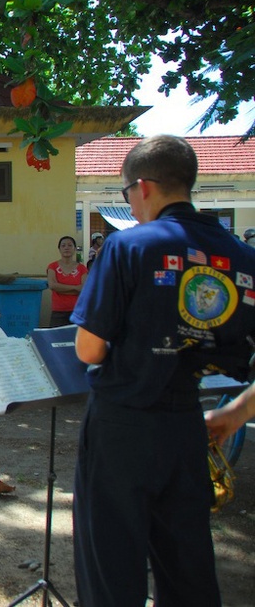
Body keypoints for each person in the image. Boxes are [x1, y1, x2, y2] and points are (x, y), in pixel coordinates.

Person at [70, 134, 255, 606]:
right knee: (187, 566)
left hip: (121, 424)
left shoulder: (128, 247)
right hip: (187, 424)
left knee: (112, 566)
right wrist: (236, 412)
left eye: (126, 193)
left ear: (145, 186)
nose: (128, 204)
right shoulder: (242, 257)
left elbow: (89, 349)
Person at [46, 235, 88, 327]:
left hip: (78, 312)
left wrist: (61, 288)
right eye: (63, 245)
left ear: (74, 248)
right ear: (59, 249)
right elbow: (52, 286)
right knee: (56, 340)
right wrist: (75, 288)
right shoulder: (52, 267)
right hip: (58, 312)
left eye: (70, 245)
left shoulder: (82, 268)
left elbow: (84, 289)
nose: (66, 248)